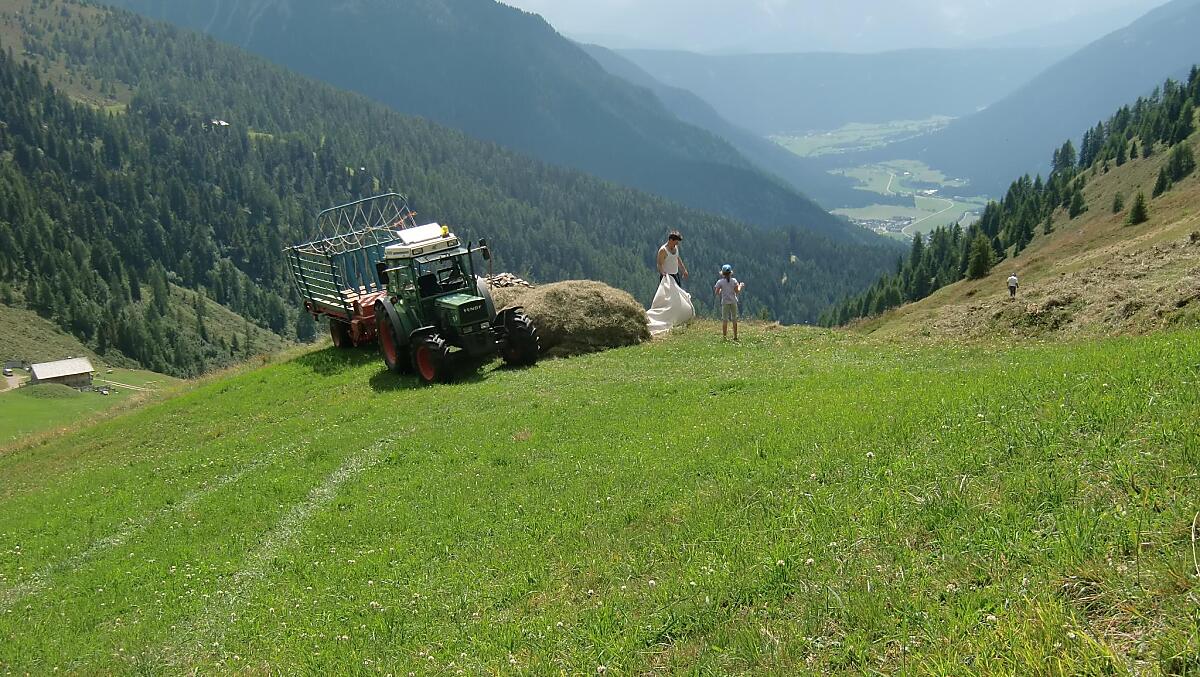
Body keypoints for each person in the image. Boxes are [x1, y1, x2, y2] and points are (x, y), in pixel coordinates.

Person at [714, 264, 745, 340]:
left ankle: (724, 337)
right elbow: (737, 291)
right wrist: (740, 285)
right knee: (734, 319)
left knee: (725, 320)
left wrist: (721, 290)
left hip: (725, 302)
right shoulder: (734, 281)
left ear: (722, 273)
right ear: (731, 273)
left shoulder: (720, 282)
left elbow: (716, 292)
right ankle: (735, 336)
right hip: (733, 302)